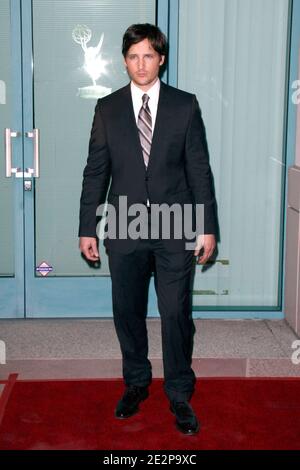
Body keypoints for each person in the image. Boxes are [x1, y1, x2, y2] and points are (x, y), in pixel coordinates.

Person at [78, 23, 217, 435]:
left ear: (161, 59)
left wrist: (206, 227)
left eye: (149, 56)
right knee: (128, 312)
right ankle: (136, 383)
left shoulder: (184, 106)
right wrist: (88, 226)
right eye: (133, 56)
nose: (141, 64)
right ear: (125, 61)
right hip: (124, 225)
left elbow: (199, 171)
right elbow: (95, 172)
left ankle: (178, 393)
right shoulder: (107, 108)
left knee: (176, 314)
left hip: (177, 227)